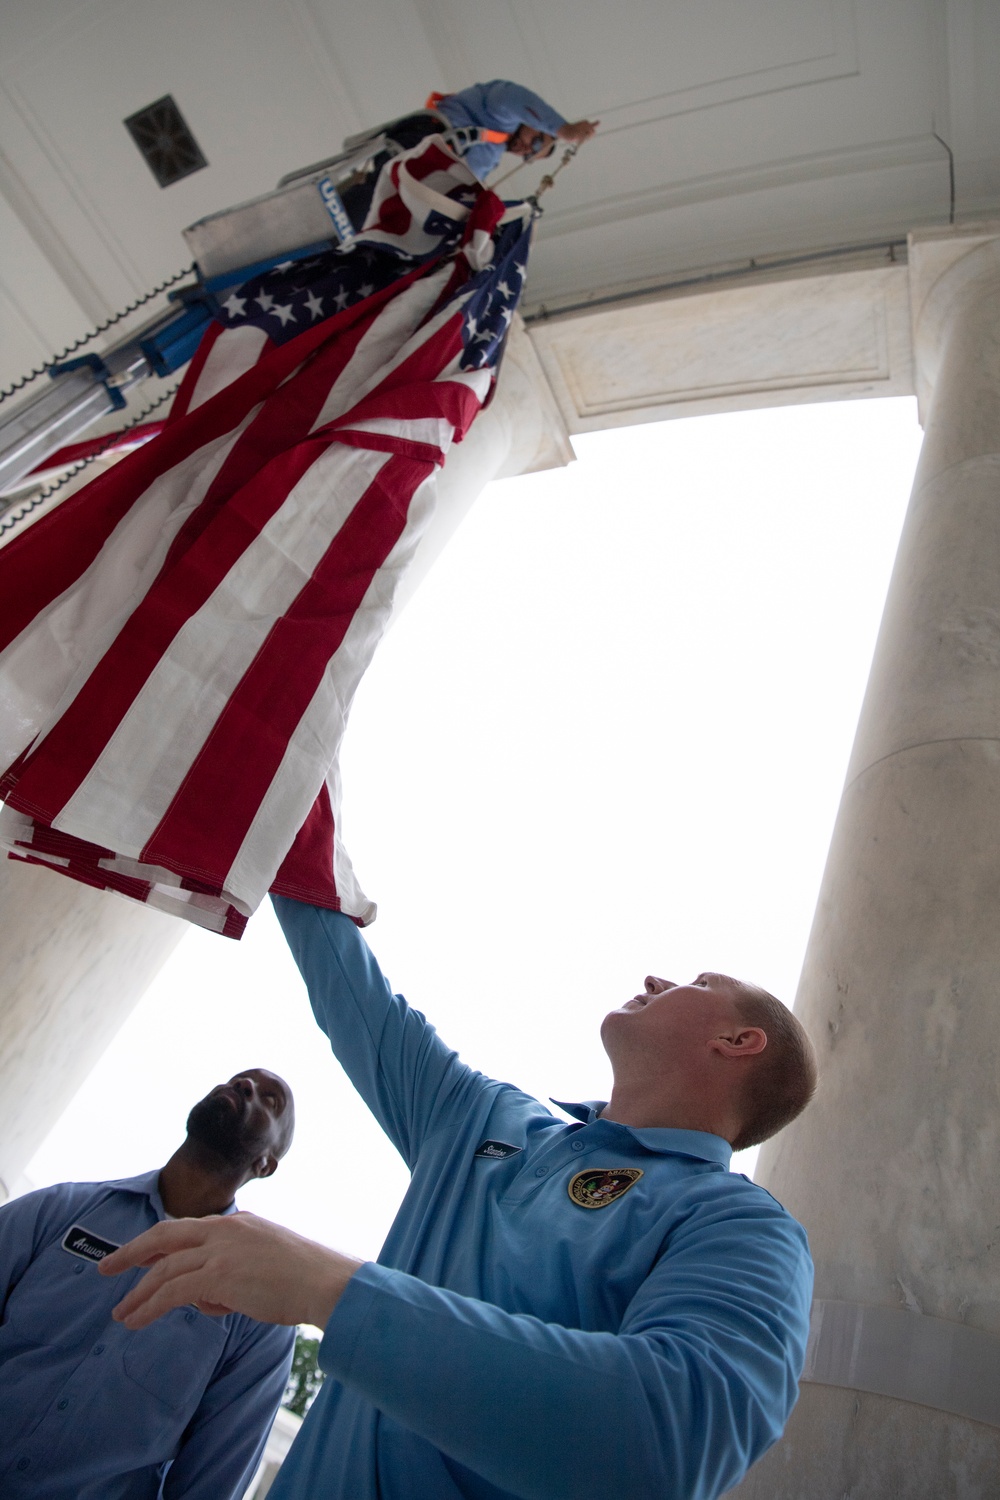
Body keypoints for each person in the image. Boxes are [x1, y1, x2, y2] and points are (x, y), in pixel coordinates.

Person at [102, 899, 817, 1499]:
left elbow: (670, 1446)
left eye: (696, 981)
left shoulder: (745, 1228)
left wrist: (326, 1289)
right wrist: (290, 793)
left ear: (738, 1039)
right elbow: (354, 993)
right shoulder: (487, 1116)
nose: (657, 977)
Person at [0, 1068, 297, 1499]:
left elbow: (212, 1480)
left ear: (266, 1164)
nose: (246, 1086)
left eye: (271, 1101)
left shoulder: (257, 1317)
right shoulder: (61, 1210)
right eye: (239, 1080)